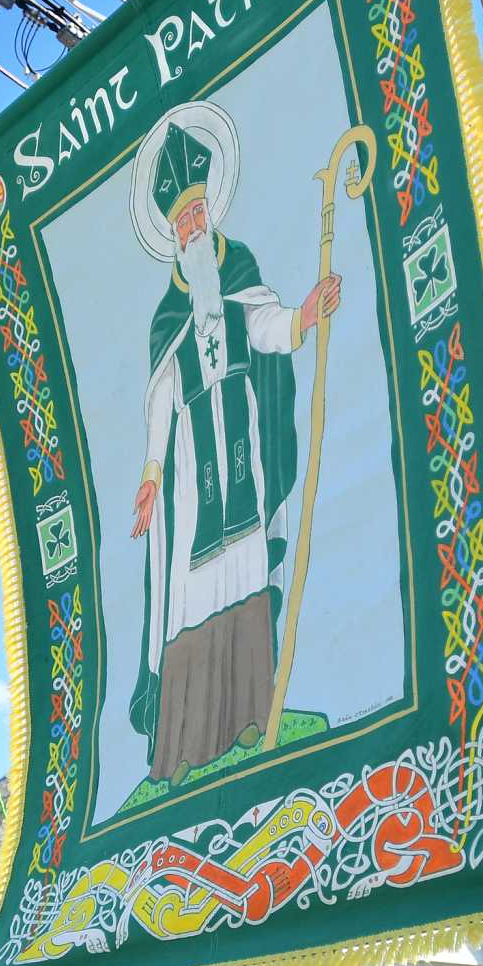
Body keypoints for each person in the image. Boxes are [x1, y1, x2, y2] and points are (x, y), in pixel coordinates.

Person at [128, 113, 342, 787]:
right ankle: (188, 746)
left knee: (247, 571)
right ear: (170, 233)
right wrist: (153, 471)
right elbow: (160, 398)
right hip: (194, 464)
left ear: (209, 209)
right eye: (180, 222)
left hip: (242, 445)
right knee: (194, 589)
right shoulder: (169, 313)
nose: (190, 227)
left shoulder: (238, 268)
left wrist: (305, 315)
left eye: (196, 213)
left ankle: (252, 716)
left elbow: (267, 325)